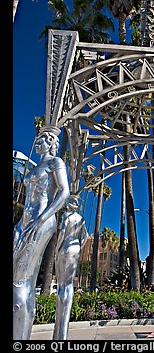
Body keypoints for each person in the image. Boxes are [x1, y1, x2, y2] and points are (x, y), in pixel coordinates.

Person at [13, 126, 70, 340]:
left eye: (41, 141)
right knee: (17, 277)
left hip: (40, 222)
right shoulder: (37, 166)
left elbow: (64, 192)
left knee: (21, 279)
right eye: (36, 140)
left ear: (51, 143)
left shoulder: (56, 163)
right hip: (24, 222)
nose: (36, 143)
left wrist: (42, 218)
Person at [53, 195, 88, 340]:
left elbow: (61, 233)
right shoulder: (81, 218)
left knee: (62, 285)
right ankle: (62, 332)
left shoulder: (66, 215)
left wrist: (57, 249)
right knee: (69, 286)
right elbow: (85, 237)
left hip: (66, 247)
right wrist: (79, 247)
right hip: (75, 248)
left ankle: (60, 334)